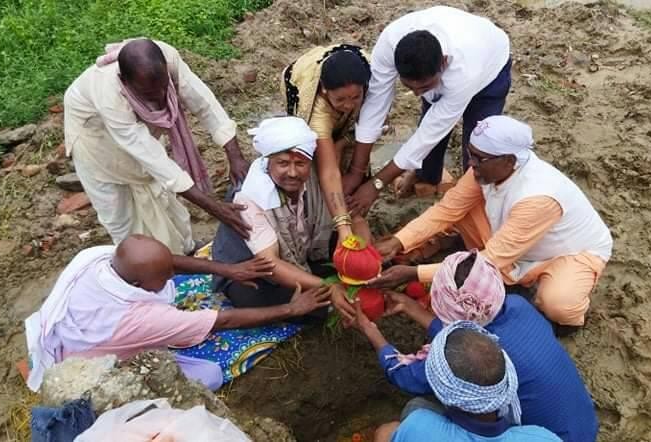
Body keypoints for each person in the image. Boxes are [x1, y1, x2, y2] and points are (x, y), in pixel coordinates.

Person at [369, 116, 613, 331]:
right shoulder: (487, 168)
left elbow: (490, 261)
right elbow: (447, 210)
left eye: (479, 159)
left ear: (508, 160)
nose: (471, 163)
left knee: (557, 304)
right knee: (458, 209)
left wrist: (413, 274)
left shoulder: (537, 197)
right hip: (511, 242)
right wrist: (399, 241)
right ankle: (468, 255)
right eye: (470, 154)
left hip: (565, 253)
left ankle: (569, 320)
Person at [24, 234, 331, 392]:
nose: (171, 276)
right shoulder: (139, 318)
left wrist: (228, 269)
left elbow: (168, 261)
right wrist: (292, 308)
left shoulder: (100, 257)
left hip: (82, 325)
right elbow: (222, 321)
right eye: (163, 276)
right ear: (137, 284)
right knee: (208, 374)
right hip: (90, 365)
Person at [353, 251, 599, 442]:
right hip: (581, 427)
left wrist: (371, 332)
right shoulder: (517, 306)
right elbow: (469, 336)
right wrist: (412, 308)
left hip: (547, 433)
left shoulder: (456, 363)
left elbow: (405, 375)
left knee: (415, 409)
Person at [63, 38, 252, 255]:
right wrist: (215, 207)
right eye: (150, 95)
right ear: (125, 81)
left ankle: (186, 250)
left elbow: (203, 102)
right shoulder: (109, 93)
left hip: (140, 129)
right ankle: (135, 264)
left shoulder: (167, 58)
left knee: (162, 194)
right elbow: (152, 157)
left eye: (164, 88)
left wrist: (235, 156)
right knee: (118, 213)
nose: (162, 97)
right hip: (95, 140)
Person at [347, 6, 512, 213]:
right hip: (454, 52)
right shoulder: (389, 44)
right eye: (409, 87)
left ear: (443, 63)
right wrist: (357, 170)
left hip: (491, 68)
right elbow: (375, 103)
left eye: (423, 87)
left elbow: (431, 132)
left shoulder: (464, 71)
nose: (416, 94)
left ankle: (473, 205)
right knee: (430, 115)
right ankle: (426, 175)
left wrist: (376, 184)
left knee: (479, 146)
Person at [211, 117, 359, 321]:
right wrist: (327, 287)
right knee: (257, 296)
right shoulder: (249, 197)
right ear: (267, 162)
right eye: (282, 163)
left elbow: (354, 218)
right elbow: (269, 263)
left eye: (300, 163)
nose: (292, 172)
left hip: (299, 252)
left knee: (351, 265)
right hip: (253, 270)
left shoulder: (317, 178)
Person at [366, 320, 562, 442]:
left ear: (445, 395)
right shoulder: (543, 437)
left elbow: (384, 434)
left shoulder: (418, 427)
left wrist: (371, 331)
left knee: (393, 426)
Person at [282, 44, 374, 241]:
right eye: (340, 99)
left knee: (350, 157)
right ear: (325, 91)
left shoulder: (373, 80)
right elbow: (328, 172)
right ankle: (329, 223)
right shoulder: (317, 110)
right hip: (301, 78)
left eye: (356, 97)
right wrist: (343, 226)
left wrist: (355, 171)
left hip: (353, 98)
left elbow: (370, 130)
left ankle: (354, 217)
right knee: (319, 168)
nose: (348, 105)